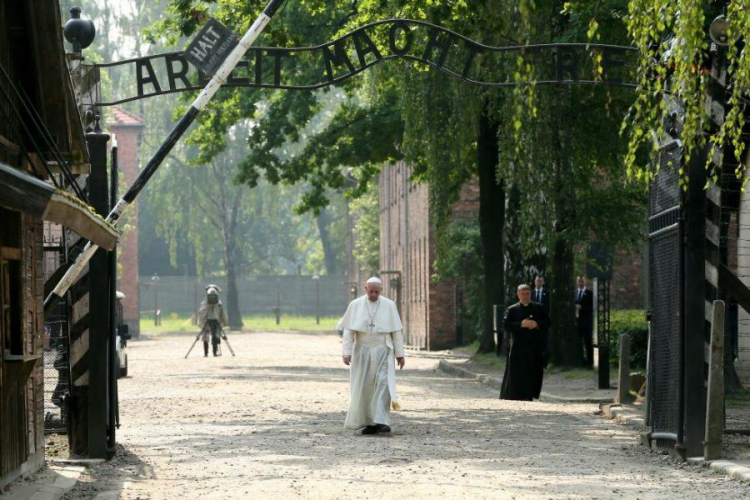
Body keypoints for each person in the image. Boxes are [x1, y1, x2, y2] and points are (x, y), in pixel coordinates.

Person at [340, 276, 405, 435]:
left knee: (383, 384)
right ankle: (369, 422)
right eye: (371, 292)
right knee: (365, 388)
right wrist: (346, 352)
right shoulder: (355, 305)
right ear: (365, 289)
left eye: (376, 292)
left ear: (381, 290)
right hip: (363, 352)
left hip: (383, 351)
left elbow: (396, 332)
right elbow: (349, 331)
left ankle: (381, 421)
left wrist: (400, 354)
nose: (374, 295)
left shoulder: (389, 305)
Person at [500, 284, 550, 401]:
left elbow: (547, 322)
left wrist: (537, 324)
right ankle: (514, 394)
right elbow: (506, 325)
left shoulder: (539, 308)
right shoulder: (512, 309)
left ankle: (531, 394)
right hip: (518, 346)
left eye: (527, 294)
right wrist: (520, 324)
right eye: (523, 294)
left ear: (530, 294)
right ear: (518, 295)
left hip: (534, 346)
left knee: (534, 370)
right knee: (517, 371)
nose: (525, 296)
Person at [197, 284, 228, 357]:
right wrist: (225, 321)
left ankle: (208, 353)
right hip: (212, 320)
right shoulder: (216, 303)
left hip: (211, 320)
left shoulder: (207, 302)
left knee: (212, 336)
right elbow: (222, 313)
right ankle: (212, 353)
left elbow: (201, 312)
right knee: (210, 336)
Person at [575, 276, 594, 367]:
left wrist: (582, 307)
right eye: (579, 281)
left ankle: (590, 361)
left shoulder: (590, 294)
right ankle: (580, 360)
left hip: (586, 322)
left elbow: (591, 308)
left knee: (587, 342)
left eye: (582, 281)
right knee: (578, 342)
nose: (580, 283)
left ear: (585, 282)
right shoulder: (574, 293)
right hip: (577, 321)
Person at [532, 275, 551, 367]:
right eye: (537, 281)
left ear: (543, 282)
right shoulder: (531, 293)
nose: (538, 283)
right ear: (534, 282)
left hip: (543, 323)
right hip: (533, 322)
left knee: (545, 344)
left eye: (540, 281)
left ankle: (544, 363)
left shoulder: (547, 293)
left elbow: (548, 308)